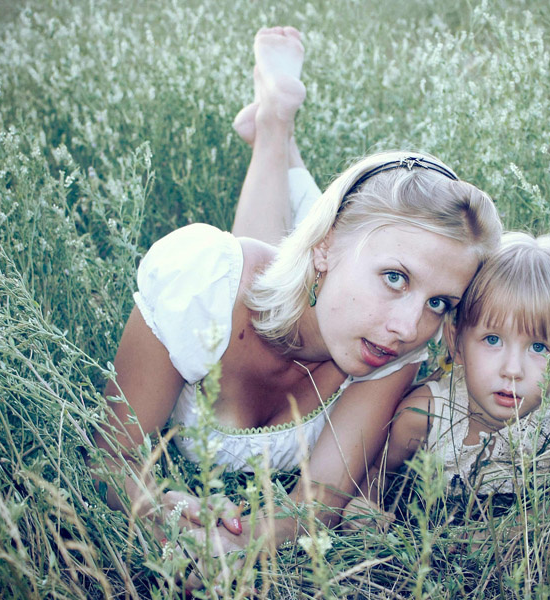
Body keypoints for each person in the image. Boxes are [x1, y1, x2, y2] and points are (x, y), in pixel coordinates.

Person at [93, 25, 503, 565]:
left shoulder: (393, 350)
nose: (408, 328)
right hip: (274, 272)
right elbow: (110, 457)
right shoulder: (203, 283)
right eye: (395, 277)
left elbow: (316, 505)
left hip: (315, 273)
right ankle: (275, 121)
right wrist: (160, 515)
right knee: (259, 263)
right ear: (326, 246)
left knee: (279, 259)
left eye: (439, 303)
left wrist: (232, 546)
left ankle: (275, 128)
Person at [343, 232, 550, 536]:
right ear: (456, 343)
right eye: (492, 340)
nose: (512, 370)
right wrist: (366, 505)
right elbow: (378, 471)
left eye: (539, 348)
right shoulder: (424, 414)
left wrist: (486, 541)